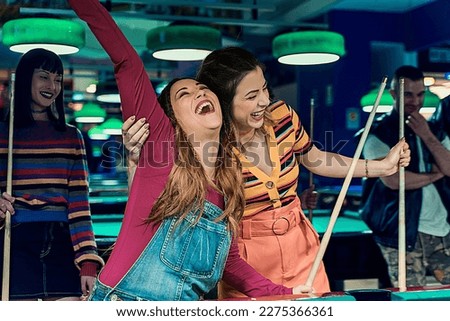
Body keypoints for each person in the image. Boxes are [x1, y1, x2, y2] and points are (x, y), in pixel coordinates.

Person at [69, 0, 314, 301]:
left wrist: (287, 292)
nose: (198, 92)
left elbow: (231, 264)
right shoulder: (161, 148)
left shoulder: (227, 187)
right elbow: (127, 62)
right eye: (184, 94)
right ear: (172, 122)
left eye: (202, 89)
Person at [122, 46, 411, 298]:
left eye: (263, 89)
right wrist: (136, 158)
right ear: (224, 102)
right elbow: (152, 209)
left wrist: (380, 166)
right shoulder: (209, 151)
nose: (263, 101)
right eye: (251, 96)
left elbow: (316, 159)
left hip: (302, 248)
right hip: (248, 261)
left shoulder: (282, 117)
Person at [0, 48, 104, 300]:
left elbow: (79, 205)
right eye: (44, 77)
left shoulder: (71, 136)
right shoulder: (4, 133)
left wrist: (87, 260)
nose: (52, 86)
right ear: (26, 79)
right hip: (15, 241)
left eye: (57, 79)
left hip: (61, 242)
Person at [360, 65, 450, 287]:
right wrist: (433, 175)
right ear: (394, 94)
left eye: (420, 94)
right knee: (410, 300)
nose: (415, 101)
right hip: (400, 234)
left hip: (442, 231)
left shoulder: (435, 130)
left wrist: (427, 135)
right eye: (408, 94)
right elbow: (392, 179)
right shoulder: (375, 133)